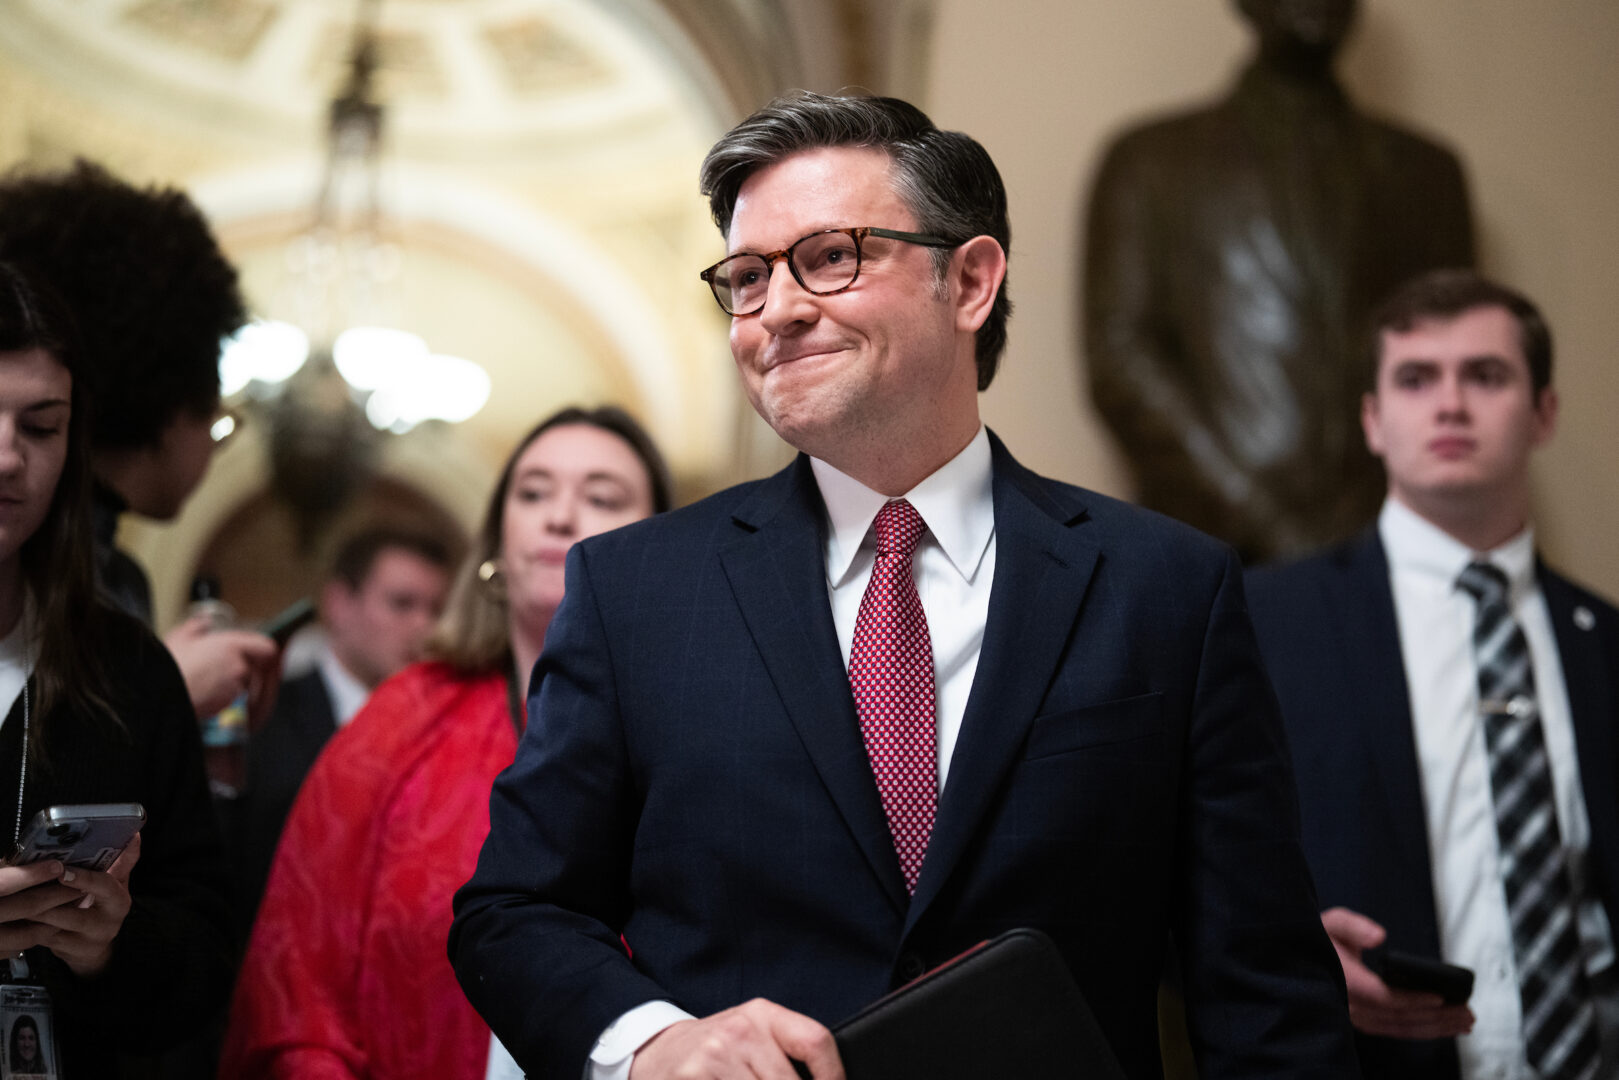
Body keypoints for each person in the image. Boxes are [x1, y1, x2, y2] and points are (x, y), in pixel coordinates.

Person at [450, 91, 1358, 1080]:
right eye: (746, 278)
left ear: (968, 281)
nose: (780, 310)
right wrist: (655, 1042)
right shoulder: (635, 591)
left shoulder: (1165, 589)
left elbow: (1263, 996)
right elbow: (514, 913)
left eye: (830, 257)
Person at [220, 406, 671, 1080]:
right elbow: (296, 975)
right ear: (494, 543)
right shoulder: (403, 717)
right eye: (533, 492)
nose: (559, 516)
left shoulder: (702, 728)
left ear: (666, 544)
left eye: (601, 497)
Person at [1247, 269, 1619, 1079]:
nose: (1450, 405)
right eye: (1416, 380)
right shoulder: (1262, 624)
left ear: (1543, 413)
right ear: (1373, 422)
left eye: (1485, 377)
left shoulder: (1606, 644)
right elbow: (1176, 874)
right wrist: (1298, 958)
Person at [1085, 0, 1474, 563]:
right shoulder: (1150, 163)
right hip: (1205, 560)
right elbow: (1122, 358)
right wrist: (1259, 520)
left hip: (1382, 559)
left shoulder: (1429, 177)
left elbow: (1452, 362)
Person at [0, 262, 231, 1075]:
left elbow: (204, 949)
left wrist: (110, 944)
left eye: (40, 425)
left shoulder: (130, 668)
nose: (6, 458)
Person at [0, 160, 278, 723]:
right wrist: (165, 693)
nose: (9, 459)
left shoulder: (111, 570)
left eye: (39, 427)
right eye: (219, 422)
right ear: (172, 403)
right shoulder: (67, 567)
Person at [235, 525, 452, 929]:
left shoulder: (449, 733)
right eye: (402, 603)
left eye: (436, 609)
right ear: (340, 603)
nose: (425, 626)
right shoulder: (265, 717)